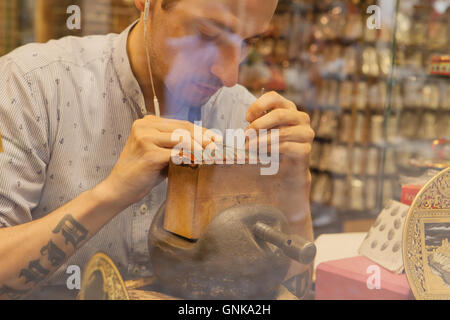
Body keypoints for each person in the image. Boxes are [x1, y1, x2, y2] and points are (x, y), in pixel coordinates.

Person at [0, 0, 314, 299]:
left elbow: (293, 288)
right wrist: (111, 193)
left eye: (248, 43)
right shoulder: (31, 86)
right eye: (207, 36)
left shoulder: (245, 118)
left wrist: (293, 186)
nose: (229, 76)